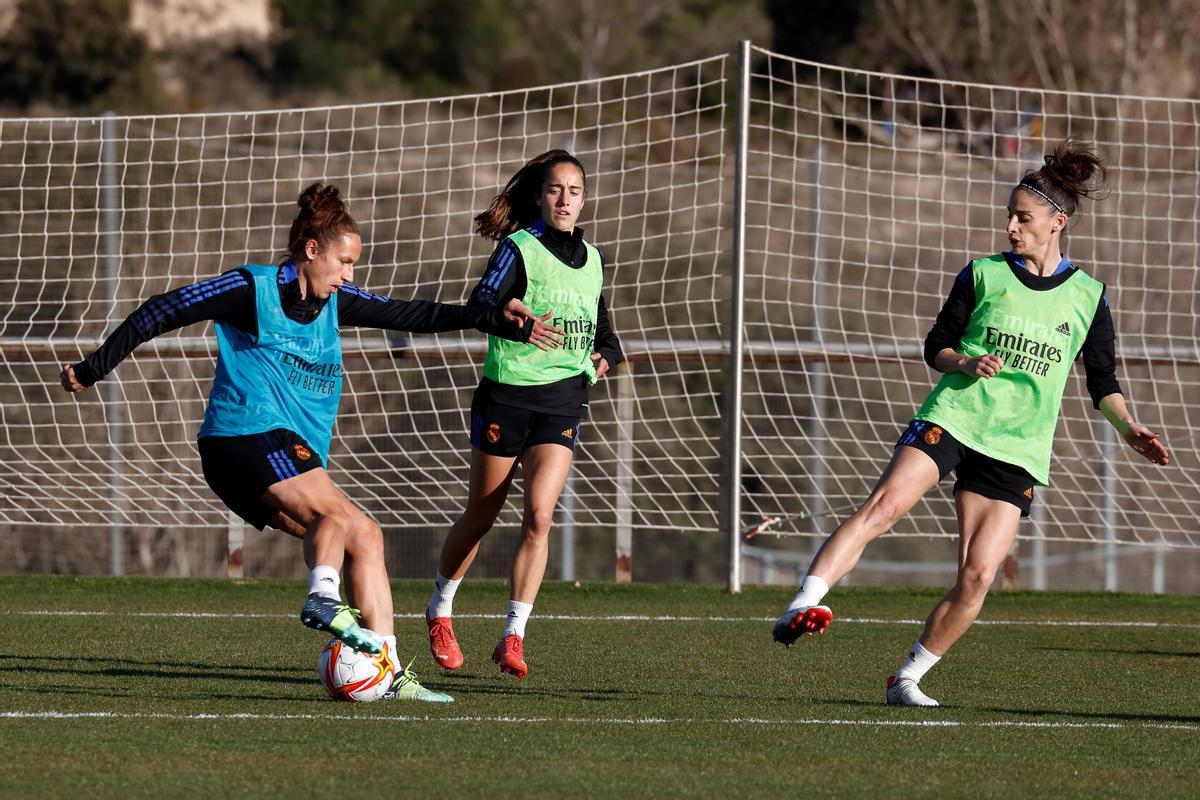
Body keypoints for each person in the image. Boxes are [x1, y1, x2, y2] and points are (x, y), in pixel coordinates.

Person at [60, 182, 560, 702]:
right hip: (244, 436)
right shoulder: (249, 289)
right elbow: (163, 309)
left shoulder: (334, 303)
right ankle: (323, 597)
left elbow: (415, 313)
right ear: (311, 250)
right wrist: (95, 366)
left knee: (365, 534)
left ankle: (387, 674)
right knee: (337, 520)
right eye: (344, 262)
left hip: (279, 451)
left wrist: (494, 320)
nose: (350, 275)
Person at [771, 139, 1170, 706]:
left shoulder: (1088, 296)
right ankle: (804, 603)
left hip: (1019, 444)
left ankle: (906, 677)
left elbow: (1101, 380)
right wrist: (966, 362)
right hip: (957, 414)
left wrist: (1129, 427)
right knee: (884, 506)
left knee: (979, 577)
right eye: (1010, 216)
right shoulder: (982, 274)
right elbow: (936, 346)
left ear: (1057, 222)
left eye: (1023, 217)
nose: (1011, 225)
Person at [424, 149, 624, 678]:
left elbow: (606, 335)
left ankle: (513, 635)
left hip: (561, 400)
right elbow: (481, 304)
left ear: (585, 198)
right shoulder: (518, 249)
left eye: (574, 190)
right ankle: (440, 608)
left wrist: (604, 360)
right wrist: (514, 322)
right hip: (507, 397)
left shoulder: (597, 259)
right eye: (556, 189)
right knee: (483, 516)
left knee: (539, 516)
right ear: (540, 195)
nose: (565, 199)